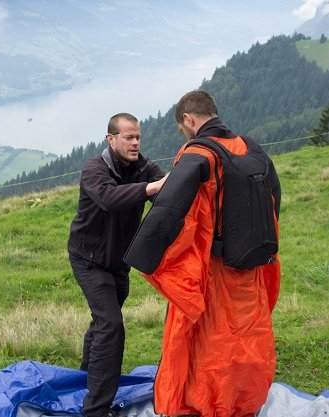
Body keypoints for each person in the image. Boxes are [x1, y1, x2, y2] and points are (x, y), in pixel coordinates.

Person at [124, 90, 281, 417]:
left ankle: (203, 406)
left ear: (189, 119)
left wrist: (145, 255)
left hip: (212, 272)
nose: (184, 132)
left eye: (183, 127)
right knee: (246, 338)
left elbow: (171, 207)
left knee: (208, 344)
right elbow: (273, 202)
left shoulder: (198, 154)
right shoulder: (252, 149)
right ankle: (242, 402)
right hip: (249, 270)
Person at [68, 113, 167, 417]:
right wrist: (152, 187)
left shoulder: (142, 167)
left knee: (103, 322)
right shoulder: (94, 170)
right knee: (111, 326)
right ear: (111, 139)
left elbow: (167, 186)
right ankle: (96, 410)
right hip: (89, 261)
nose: (135, 142)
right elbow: (110, 198)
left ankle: (86, 377)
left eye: (138, 137)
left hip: (118, 263)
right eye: (128, 137)